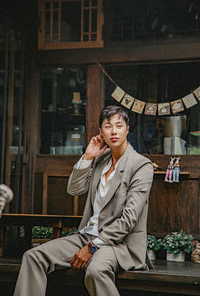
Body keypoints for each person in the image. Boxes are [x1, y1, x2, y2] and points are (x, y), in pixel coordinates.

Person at [13, 105, 154, 296]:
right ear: (101, 131)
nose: (113, 131)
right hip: (87, 236)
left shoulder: (140, 166)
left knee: (95, 271)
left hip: (119, 244)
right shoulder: (101, 160)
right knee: (33, 256)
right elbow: (74, 189)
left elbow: (129, 219)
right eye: (107, 126)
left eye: (119, 126)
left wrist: (93, 246)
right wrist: (88, 157)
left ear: (127, 130)